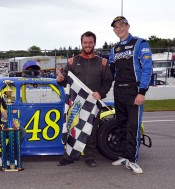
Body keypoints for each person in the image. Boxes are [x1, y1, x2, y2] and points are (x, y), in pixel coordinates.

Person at [56, 31, 113, 167]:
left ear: (94, 43)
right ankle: (69, 156)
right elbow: (65, 81)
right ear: (81, 43)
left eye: (90, 42)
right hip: (76, 103)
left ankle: (90, 157)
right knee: (73, 128)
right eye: (85, 42)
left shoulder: (102, 63)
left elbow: (108, 81)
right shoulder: (73, 61)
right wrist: (60, 79)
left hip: (93, 103)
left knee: (91, 131)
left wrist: (101, 93)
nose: (87, 45)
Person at [109, 16, 153, 174]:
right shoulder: (114, 49)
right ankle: (123, 155)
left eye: (121, 25)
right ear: (113, 29)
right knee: (120, 124)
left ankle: (133, 159)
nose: (119, 28)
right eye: (116, 26)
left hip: (134, 91)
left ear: (128, 26)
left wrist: (142, 92)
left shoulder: (140, 43)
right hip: (118, 91)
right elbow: (110, 71)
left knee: (133, 127)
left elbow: (148, 69)